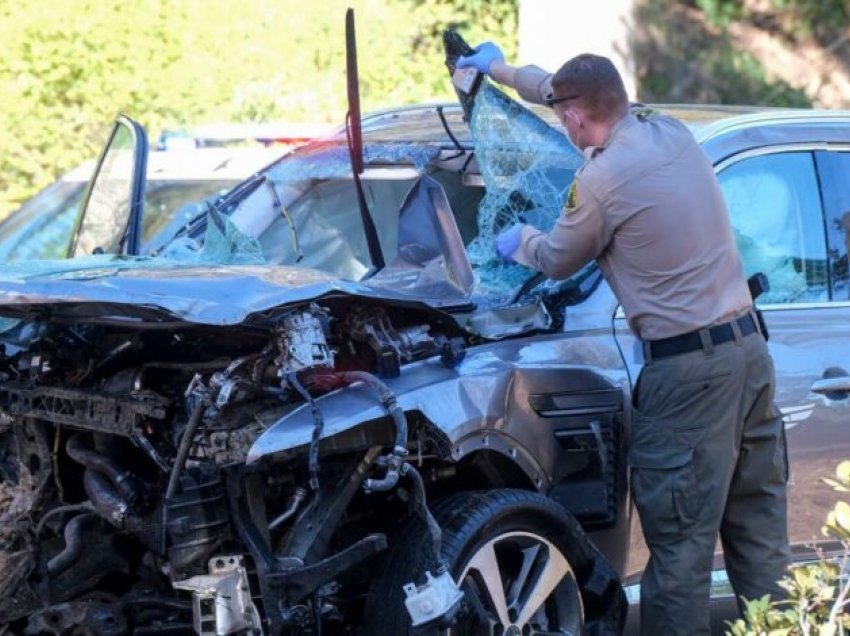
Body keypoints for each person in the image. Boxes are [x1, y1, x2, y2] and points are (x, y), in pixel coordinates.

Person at [457, 43, 790, 635]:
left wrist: (521, 240)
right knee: (760, 541)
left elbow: (559, 260)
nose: (563, 123)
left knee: (681, 554)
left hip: (689, 377)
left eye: (564, 116)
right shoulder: (670, 133)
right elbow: (559, 91)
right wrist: (500, 72)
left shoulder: (601, 181)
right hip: (750, 357)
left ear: (575, 120)